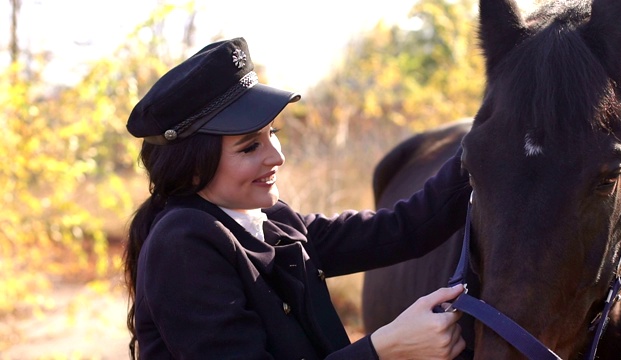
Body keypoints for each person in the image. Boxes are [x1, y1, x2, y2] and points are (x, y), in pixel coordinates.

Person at [123, 37, 471, 360]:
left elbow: (404, 229)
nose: (277, 157)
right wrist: (385, 348)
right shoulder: (183, 244)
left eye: (272, 133)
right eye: (249, 146)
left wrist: (483, 140)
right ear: (194, 169)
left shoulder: (271, 220)